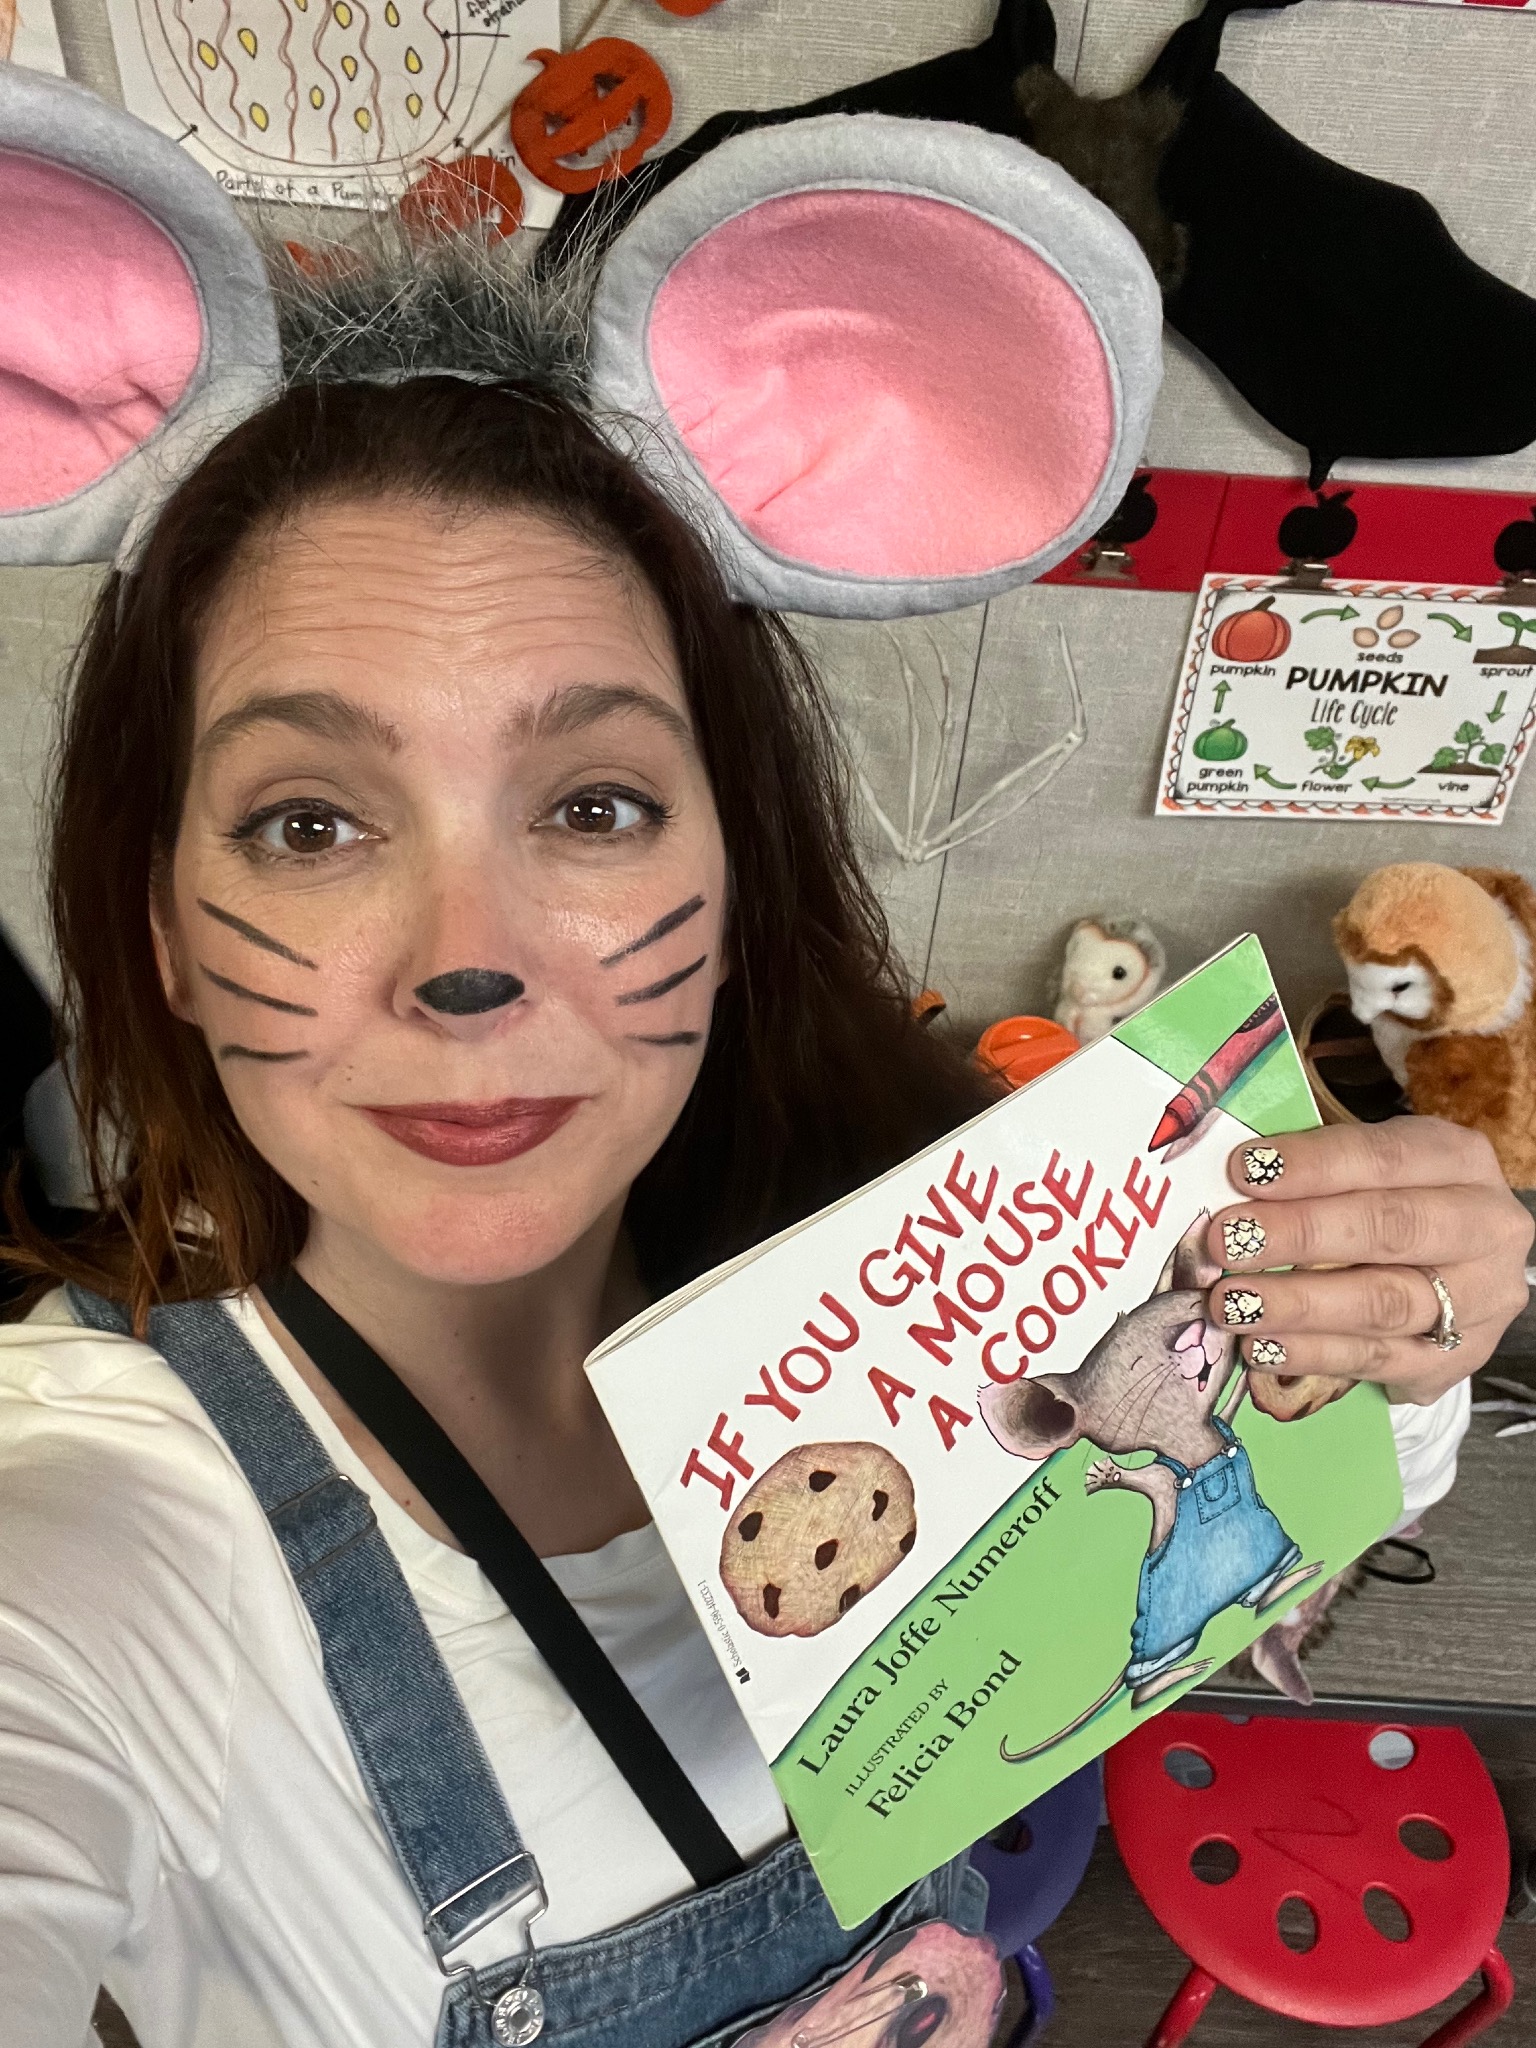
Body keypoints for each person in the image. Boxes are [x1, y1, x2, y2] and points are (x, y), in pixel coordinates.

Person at [0, 373, 1527, 2048]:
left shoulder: (927, 1272)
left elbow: (1322, 1472)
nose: (465, 963)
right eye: (310, 824)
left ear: (730, 892)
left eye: (594, 807)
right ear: (165, 938)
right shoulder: (97, 1526)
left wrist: (1391, 1317)